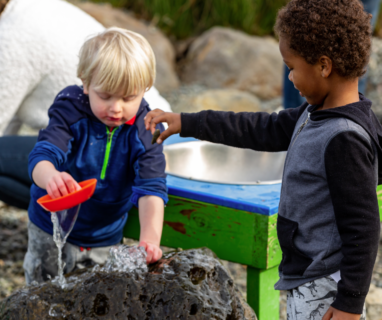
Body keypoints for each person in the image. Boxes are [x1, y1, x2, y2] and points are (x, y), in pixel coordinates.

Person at [145, 0, 382, 319]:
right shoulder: (316, 114)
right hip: (311, 280)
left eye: (292, 67)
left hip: (326, 289)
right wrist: (187, 122)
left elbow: (363, 228)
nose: (290, 77)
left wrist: (349, 303)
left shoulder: (344, 139)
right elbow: (257, 128)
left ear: (324, 66)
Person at [0, 0, 172, 265]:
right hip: (82, 139)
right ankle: (59, 213)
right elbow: (13, 125)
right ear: (85, 84)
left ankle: (84, 215)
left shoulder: (8, 42)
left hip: (122, 152)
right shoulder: (36, 9)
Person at [24, 27, 167, 284]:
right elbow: (42, 155)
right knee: (40, 294)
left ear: (145, 88)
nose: (115, 108)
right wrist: (51, 177)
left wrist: (150, 240)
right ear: (86, 83)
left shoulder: (147, 129)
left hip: (106, 235)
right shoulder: (70, 111)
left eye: (128, 97)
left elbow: (152, 188)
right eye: (105, 96)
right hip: (50, 227)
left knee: (100, 299)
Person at [283, 0, 381, 109]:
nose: (289, 77)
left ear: (324, 67)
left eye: (291, 69)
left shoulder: (344, 126)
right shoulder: (311, 110)